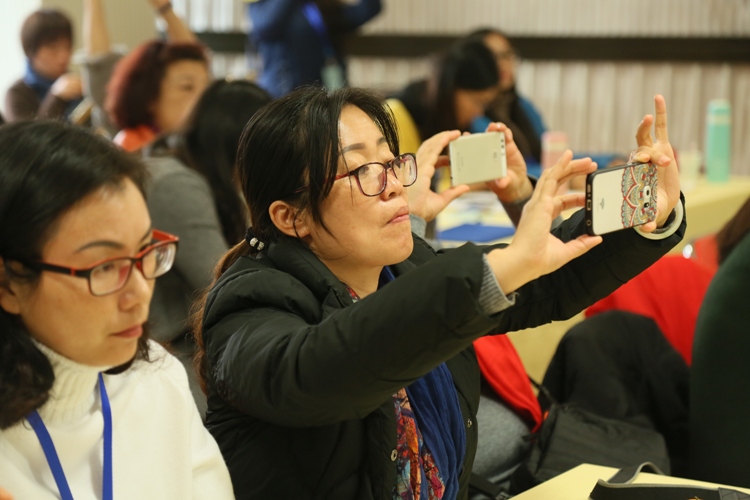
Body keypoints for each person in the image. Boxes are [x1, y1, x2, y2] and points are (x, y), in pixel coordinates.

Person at [191, 86, 684, 499]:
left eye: (391, 163)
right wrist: (504, 266)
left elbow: (549, 278)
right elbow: (323, 366)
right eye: (361, 171)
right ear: (290, 217)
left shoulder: (401, 268)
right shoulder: (247, 303)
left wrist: (649, 212)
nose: (392, 186)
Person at [0, 121, 234, 499]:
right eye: (105, 267)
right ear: (8, 284)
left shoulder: (156, 379)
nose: (139, 293)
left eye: (145, 252)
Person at [141, 80, 272, 416]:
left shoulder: (193, 173)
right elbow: (220, 279)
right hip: (168, 349)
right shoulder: (175, 183)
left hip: (191, 342)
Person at [83, 0, 209, 148]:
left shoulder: (206, 138)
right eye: (187, 87)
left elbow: (193, 57)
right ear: (150, 98)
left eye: (206, 87)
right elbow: (99, 62)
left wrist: (164, 8)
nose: (203, 97)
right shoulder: (132, 147)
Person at [247, 0, 381, 99]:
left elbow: (367, 10)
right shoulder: (265, 5)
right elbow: (265, 24)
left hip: (324, 93)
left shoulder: (324, 5)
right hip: (281, 92)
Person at [389, 39, 500, 155]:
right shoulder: (396, 117)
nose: (479, 113)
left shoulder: (446, 126)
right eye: (477, 102)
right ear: (450, 89)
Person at [467, 28, 547, 165]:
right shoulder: (473, 113)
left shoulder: (522, 105)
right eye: (492, 58)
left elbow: (550, 151)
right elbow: (502, 168)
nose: (502, 64)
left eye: (507, 55)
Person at [4, 9, 83, 123]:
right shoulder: (17, 93)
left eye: (68, 46)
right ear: (31, 51)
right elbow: (29, 134)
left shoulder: (79, 85)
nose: (63, 56)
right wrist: (56, 98)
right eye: (53, 48)